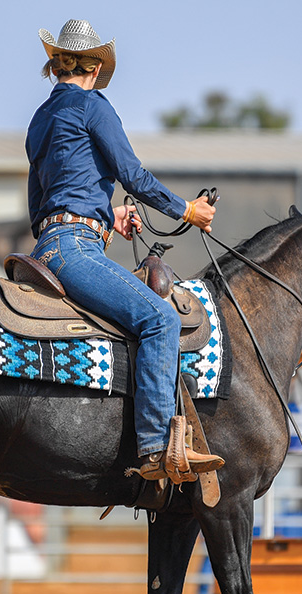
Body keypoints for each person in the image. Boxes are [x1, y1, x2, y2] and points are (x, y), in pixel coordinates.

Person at [27, 19, 222, 484]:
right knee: (161, 319)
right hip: (75, 249)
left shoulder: (39, 119)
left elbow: (42, 204)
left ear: (57, 66)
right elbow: (133, 176)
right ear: (94, 67)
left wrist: (104, 215)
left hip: (49, 245)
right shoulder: (94, 106)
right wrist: (187, 211)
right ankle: (156, 447)